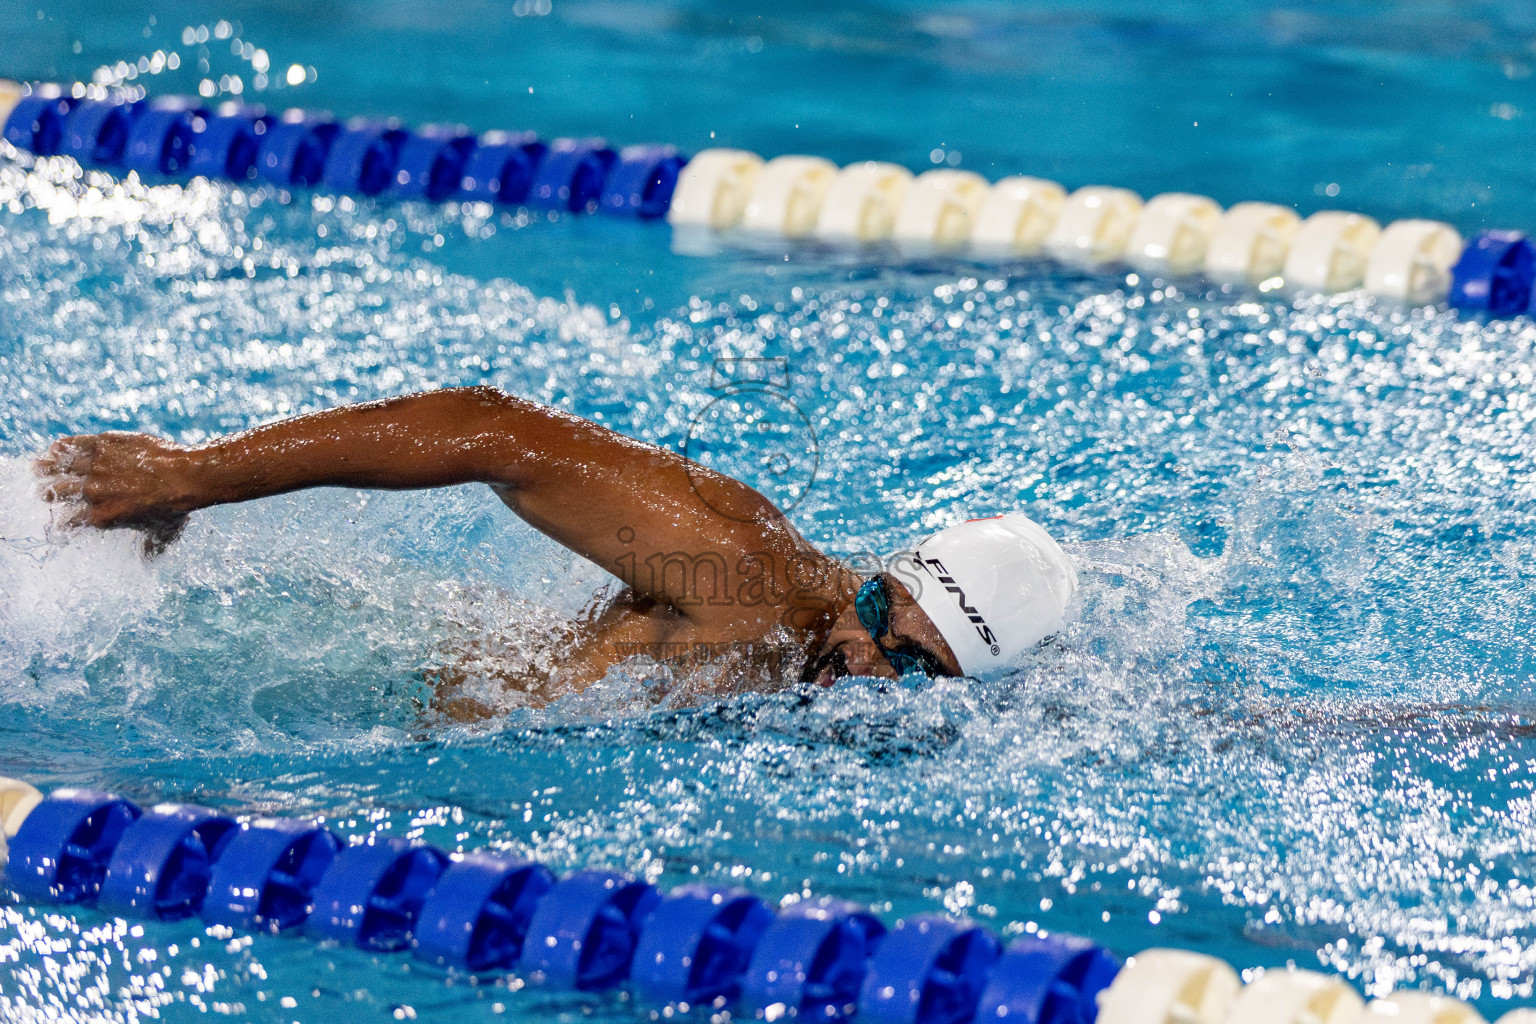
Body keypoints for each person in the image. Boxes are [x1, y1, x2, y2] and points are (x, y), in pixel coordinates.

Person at [33, 386, 1077, 715]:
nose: (862, 652)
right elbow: (493, 431)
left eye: (911, 662)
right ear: (879, 574)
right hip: (360, 705)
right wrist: (189, 475)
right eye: (880, 607)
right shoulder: (745, 577)